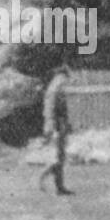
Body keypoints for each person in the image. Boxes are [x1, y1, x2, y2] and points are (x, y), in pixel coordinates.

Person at [38, 64, 74, 195]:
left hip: (56, 124)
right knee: (57, 157)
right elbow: (53, 109)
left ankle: (60, 186)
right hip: (56, 126)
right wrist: (54, 126)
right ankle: (42, 177)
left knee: (60, 157)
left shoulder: (55, 86)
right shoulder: (57, 87)